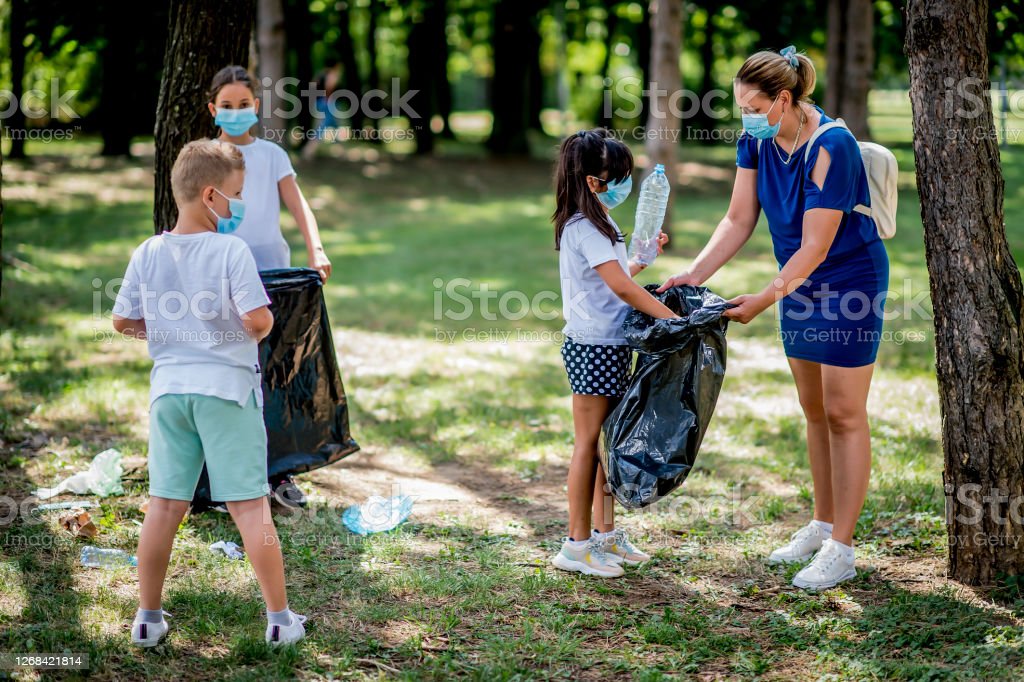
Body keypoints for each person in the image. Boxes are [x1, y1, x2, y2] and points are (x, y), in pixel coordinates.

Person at [660, 46, 889, 590]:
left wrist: (763, 297)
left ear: (783, 100)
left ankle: (843, 548)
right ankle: (821, 523)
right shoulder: (756, 140)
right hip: (797, 285)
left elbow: (815, 246)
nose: (743, 116)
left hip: (846, 285)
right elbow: (738, 219)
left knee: (843, 412)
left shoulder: (832, 146)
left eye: (750, 105)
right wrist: (693, 274)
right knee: (814, 410)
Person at [112, 140, 306, 647]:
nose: (239, 205)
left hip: (169, 393)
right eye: (237, 195)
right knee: (249, 507)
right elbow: (259, 320)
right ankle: (281, 621)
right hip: (226, 393)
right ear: (212, 195)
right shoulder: (230, 250)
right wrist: (239, 329)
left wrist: (170, 337)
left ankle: (148, 619)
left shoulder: (147, 251)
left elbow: (122, 320)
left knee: (164, 506)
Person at [550, 128, 676, 578]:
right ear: (591, 181)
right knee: (588, 444)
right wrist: (672, 320)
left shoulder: (597, 223)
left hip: (609, 343)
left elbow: (617, 278)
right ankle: (575, 545)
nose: (625, 185)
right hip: (592, 347)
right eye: (617, 177)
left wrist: (643, 259)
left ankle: (604, 535)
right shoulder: (585, 227)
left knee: (606, 444)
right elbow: (622, 286)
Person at [208, 64, 333, 507]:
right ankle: (227, 480)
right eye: (227, 106)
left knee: (275, 378)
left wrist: (315, 249)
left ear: (256, 107)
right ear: (213, 110)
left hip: (274, 276)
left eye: (244, 105)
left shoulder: (273, 155)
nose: (237, 112)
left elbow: (299, 206)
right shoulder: (204, 156)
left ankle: (279, 473)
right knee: (230, 378)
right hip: (224, 281)